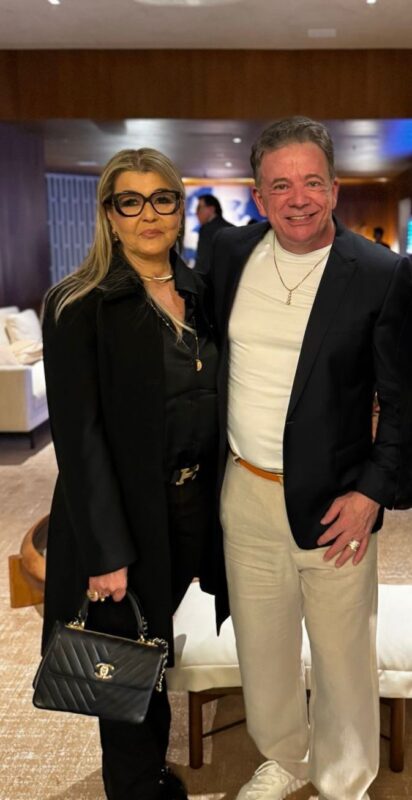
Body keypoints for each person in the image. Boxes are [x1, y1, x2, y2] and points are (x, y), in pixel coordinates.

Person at [209, 117, 412, 800]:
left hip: (337, 499)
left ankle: (344, 778)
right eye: (280, 185)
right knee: (262, 644)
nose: (298, 199)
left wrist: (372, 494)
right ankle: (284, 759)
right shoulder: (228, 253)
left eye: (312, 183)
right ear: (258, 195)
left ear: (334, 188)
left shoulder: (381, 273)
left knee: (342, 652)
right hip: (246, 490)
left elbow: (403, 401)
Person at [41, 148, 218, 800]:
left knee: (154, 651)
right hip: (121, 518)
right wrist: (106, 552)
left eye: (162, 199)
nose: (149, 215)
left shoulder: (200, 294)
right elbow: (79, 439)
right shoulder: (78, 304)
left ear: (179, 208)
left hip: (188, 510)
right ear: (109, 216)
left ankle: (151, 777)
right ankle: (139, 788)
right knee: (122, 674)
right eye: (131, 201)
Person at [194, 193, 233, 274]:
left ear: (211, 209)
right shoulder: (232, 228)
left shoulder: (207, 230)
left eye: (199, 208)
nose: (196, 212)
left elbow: (203, 264)